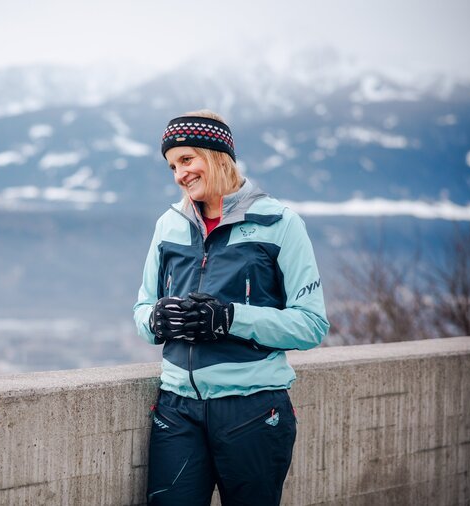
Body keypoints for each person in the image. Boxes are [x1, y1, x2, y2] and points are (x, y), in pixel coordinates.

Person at [133, 110, 329, 505]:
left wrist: (230, 319)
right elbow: (142, 308)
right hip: (176, 410)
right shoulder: (168, 225)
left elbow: (311, 325)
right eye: (172, 166)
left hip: (253, 411)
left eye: (187, 159)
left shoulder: (279, 223)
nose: (179, 175)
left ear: (218, 154)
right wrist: (156, 319)